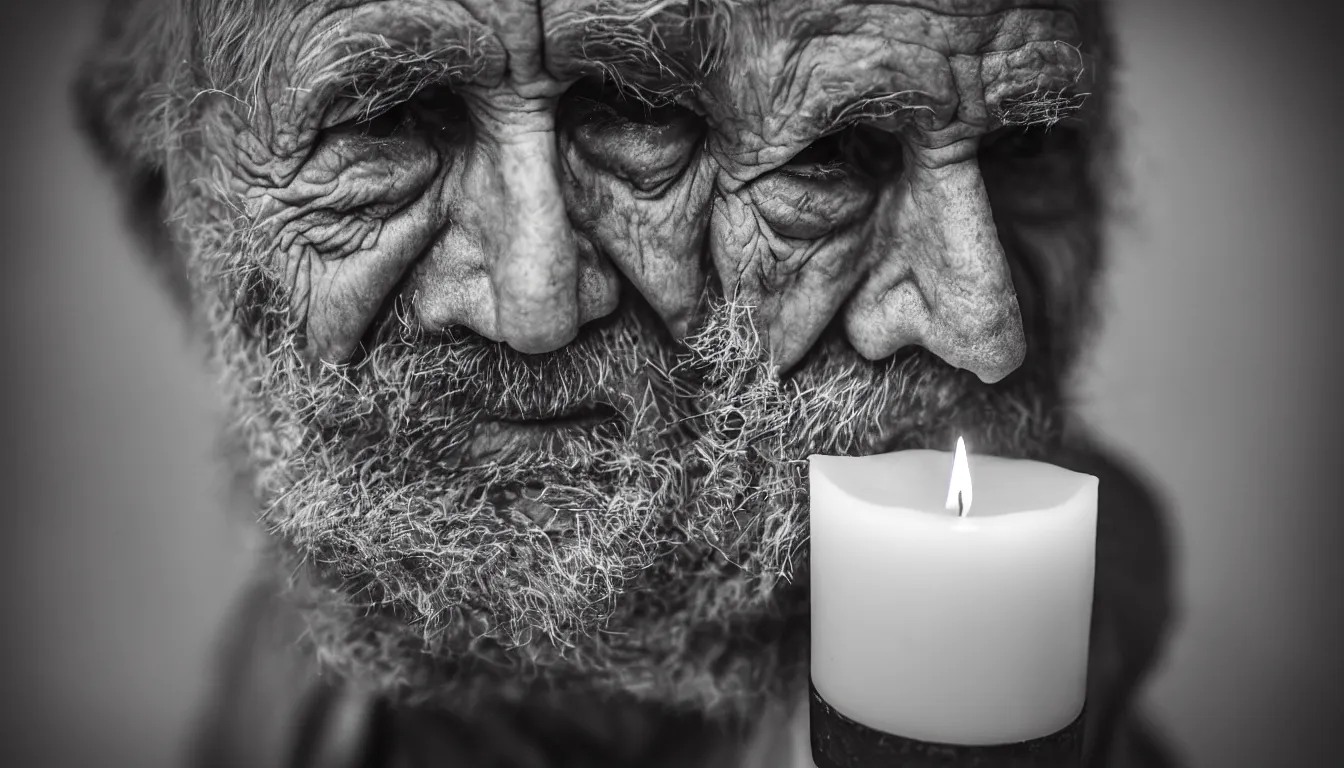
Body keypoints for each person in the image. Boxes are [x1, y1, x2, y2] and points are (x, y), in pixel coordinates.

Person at [75, 0, 1175, 765]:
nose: (540, 299)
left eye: (619, 107)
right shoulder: (284, 673)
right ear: (161, 216)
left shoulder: (970, 639)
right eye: (391, 121)